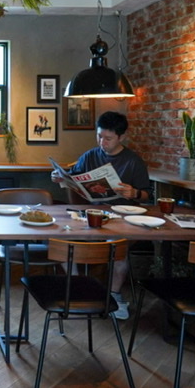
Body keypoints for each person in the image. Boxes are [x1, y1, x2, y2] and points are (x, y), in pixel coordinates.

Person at [50, 110, 150, 319]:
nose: (102, 142)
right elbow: (73, 177)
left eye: (108, 138)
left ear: (122, 137)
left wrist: (134, 193)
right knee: (61, 238)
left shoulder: (133, 161)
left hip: (122, 217)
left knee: (118, 247)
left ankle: (114, 297)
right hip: (90, 215)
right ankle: (77, 286)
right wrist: (59, 177)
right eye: (99, 136)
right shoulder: (90, 156)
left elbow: (147, 196)